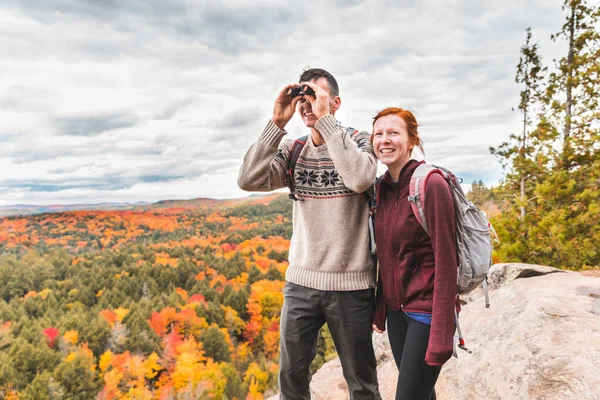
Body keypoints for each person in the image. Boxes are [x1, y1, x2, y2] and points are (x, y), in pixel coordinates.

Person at [237, 68, 381, 400]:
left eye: (314, 97)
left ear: (336, 102)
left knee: (361, 381)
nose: (306, 105)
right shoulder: (293, 149)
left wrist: (326, 121)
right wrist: (276, 123)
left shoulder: (359, 141)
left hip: (351, 284)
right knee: (291, 378)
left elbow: (360, 179)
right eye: (302, 99)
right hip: (302, 282)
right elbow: (248, 179)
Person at [370, 107, 458, 400]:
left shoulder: (431, 184)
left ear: (411, 140)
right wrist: (381, 310)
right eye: (379, 133)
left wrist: (442, 335)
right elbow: (387, 256)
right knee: (423, 394)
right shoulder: (382, 189)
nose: (385, 140)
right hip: (397, 313)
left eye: (394, 132)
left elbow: (447, 262)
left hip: (426, 314)